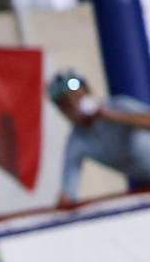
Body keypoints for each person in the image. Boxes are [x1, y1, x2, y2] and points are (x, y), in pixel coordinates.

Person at [52, 69, 150, 204]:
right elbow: (68, 190)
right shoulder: (77, 141)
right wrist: (65, 199)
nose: (75, 104)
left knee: (140, 139)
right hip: (144, 182)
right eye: (67, 105)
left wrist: (112, 116)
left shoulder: (118, 105)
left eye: (78, 97)